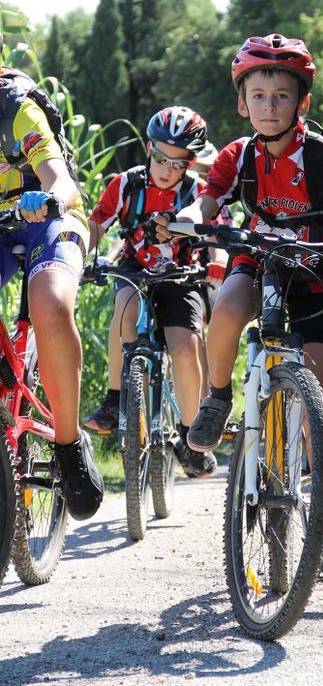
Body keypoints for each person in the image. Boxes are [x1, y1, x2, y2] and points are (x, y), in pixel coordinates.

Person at [155, 33, 323, 594]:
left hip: (315, 264)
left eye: (282, 95)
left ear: (302, 103)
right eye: (259, 95)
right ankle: (219, 397)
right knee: (225, 307)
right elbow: (210, 199)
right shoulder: (236, 154)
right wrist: (188, 217)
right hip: (259, 254)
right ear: (242, 103)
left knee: (315, 394)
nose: (270, 105)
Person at [84, 106, 226, 479]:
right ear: (148, 148)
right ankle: (115, 401)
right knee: (123, 309)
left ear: (191, 163)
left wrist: (219, 262)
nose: (166, 169)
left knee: (184, 346)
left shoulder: (199, 193)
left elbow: (218, 233)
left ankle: (191, 436)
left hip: (182, 276)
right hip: (135, 270)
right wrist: (77, 252)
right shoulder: (126, 184)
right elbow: (96, 224)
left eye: (177, 163)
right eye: (160, 158)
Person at [0, 35, 104, 520]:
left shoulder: (16, 108)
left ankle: (67, 445)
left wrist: (48, 196)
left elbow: (58, 177)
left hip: (50, 216)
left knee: (50, 304)